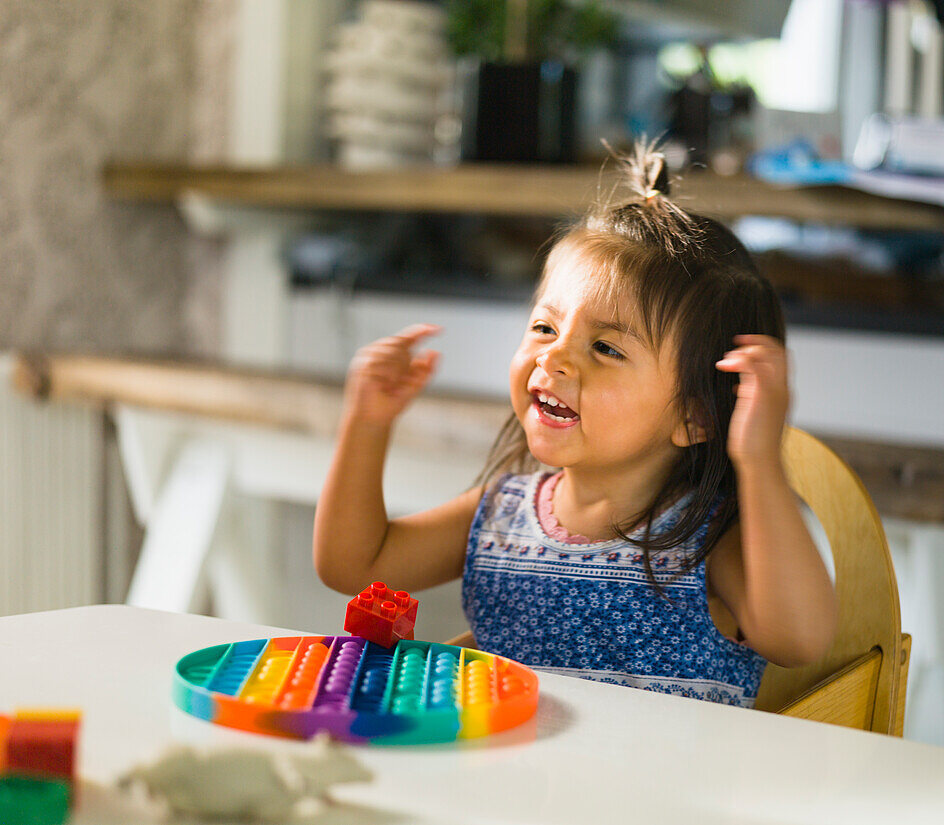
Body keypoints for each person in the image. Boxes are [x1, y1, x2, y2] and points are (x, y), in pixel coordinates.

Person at [313, 143, 837, 707]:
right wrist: (367, 424)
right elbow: (354, 563)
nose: (555, 358)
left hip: (660, 794)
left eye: (606, 347)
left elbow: (799, 638)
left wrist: (757, 461)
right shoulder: (500, 515)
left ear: (697, 415)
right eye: (544, 327)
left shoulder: (707, 540)